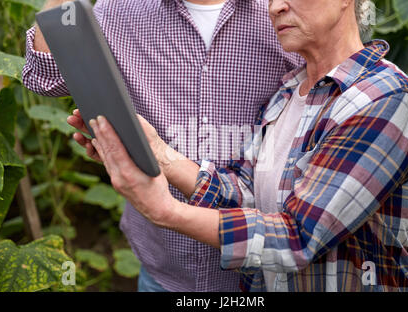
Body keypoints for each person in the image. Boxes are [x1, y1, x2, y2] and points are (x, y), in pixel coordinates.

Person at [76, 0, 408, 291]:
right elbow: (246, 196)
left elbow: (297, 238)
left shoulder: (384, 99)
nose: (275, 6)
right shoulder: (288, 95)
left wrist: (165, 211)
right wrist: (158, 153)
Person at [22, 0, 304, 291]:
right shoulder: (119, 9)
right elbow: (45, 78)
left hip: (263, 271)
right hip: (162, 268)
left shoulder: (283, 9)